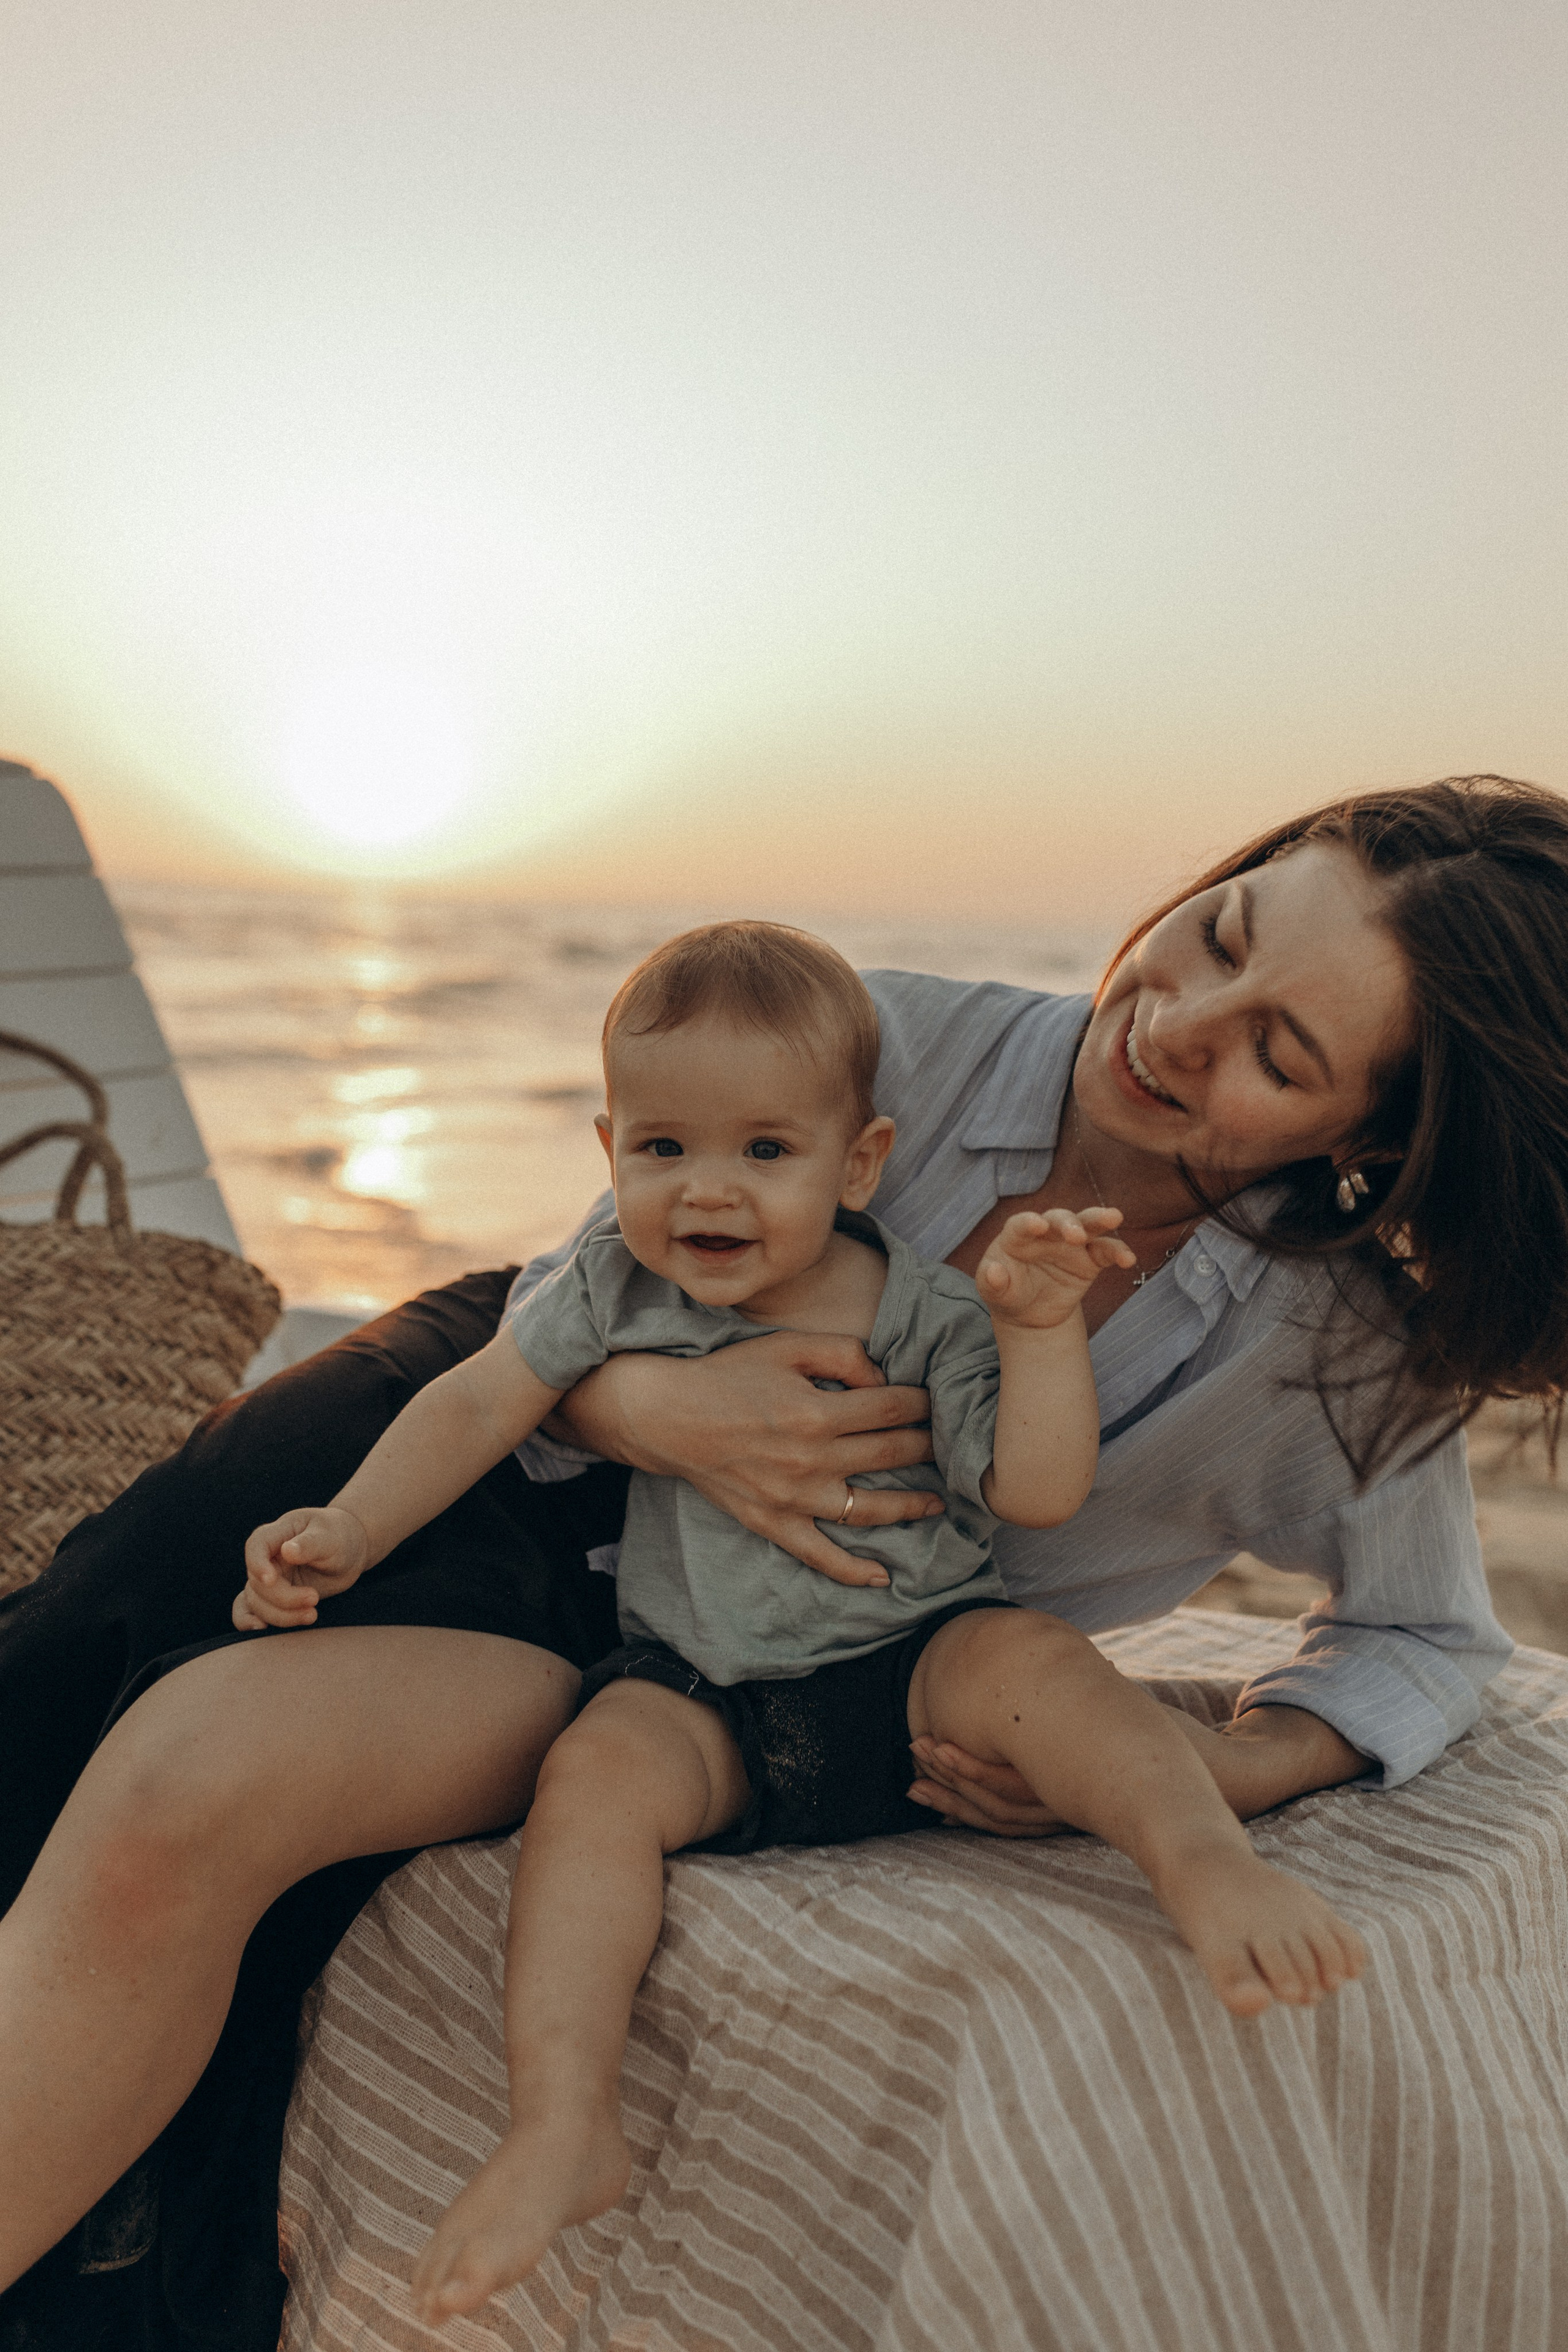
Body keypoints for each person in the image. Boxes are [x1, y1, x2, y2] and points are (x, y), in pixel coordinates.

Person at [0, 775, 1561, 2352]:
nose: (1179, 1022)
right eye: (1216, 933)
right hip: (498, 1434)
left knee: (191, 1779)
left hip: (699, 1653)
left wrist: (1233, 1771)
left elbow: (1426, 1642)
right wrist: (667, 1412)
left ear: (1371, 1143)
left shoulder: (1333, 1356)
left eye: (1275, 1053)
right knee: (73, 1649)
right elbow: (567, 1302)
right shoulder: (890, 1033)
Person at [232, 924, 1367, 2323]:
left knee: (1036, 1663)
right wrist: (350, 1526)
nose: (708, 1189)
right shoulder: (607, 1291)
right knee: (594, 1776)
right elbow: (474, 1403)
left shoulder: (928, 1309)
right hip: (699, 1693)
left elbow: (1033, 1486)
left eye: (765, 1152)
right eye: (662, 1151)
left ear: (862, 1164)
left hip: (910, 1673)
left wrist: (1035, 1331)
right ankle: (562, 2119)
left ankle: (1201, 1867)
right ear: (608, 1151)